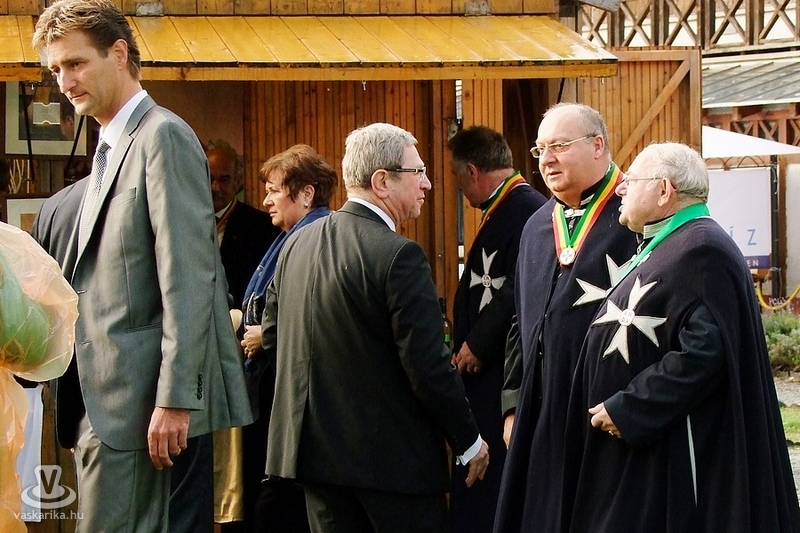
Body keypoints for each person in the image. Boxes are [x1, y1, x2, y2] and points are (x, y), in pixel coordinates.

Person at [32, 1, 253, 532]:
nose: (65, 81)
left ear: (118, 53)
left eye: (76, 63)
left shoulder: (162, 135)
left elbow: (189, 276)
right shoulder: (112, 146)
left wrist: (175, 400)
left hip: (145, 409)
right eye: (56, 69)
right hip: (107, 406)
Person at [261, 122, 489, 533]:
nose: (427, 184)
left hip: (314, 462)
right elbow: (427, 366)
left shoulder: (296, 243)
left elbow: (274, 339)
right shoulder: (399, 256)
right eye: (418, 172)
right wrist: (468, 440)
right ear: (382, 181)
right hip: (393, 469)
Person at [562, 142, 800, 532]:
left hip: (668, 454)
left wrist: (631, 407)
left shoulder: (702, 249)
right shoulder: (676, 244)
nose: (620, 188)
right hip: (641, 450)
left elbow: (705, 352)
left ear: (663, 190)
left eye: (631, 180)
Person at [493, 103, 639, 533]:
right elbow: (522, 319)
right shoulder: (538, 225)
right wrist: (512, 404)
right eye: (540, 150)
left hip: (603, 412)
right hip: (540, 416)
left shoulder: (635, 216)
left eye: (559, 146)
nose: (547, 160)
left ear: (598, 145)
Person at [446, 126, 545, 532]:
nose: (458, 187)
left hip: (499, 372)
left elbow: (521, 287)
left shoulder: (528, 210)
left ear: (472, 171)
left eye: (457, 176)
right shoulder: (507, 209)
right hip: (483, 371)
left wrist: (478, 342)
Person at [236, 144, 338, 533]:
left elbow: (317, 312)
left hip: (294, 399)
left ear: (306, 193)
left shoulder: (317, 236)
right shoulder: (292, 234)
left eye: (274, 190)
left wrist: (267, 335)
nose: (266, 200)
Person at [208, 141, 280, 307]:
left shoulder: (263, 227)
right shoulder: (185, 222)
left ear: (238, 182)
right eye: (209, 178)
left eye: (224, 180)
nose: (215, 187)